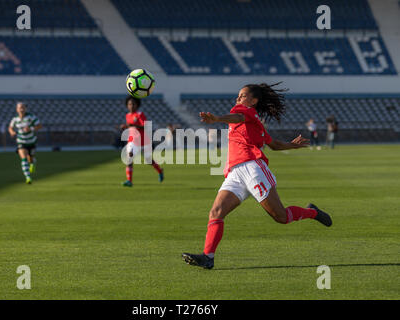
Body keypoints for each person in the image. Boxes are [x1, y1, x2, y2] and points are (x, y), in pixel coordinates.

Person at [182, 83, 332, 269]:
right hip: (235, 173)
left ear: (253, 101)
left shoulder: (244, 112)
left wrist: (218, 118)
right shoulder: (254, 124)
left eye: (242, 95)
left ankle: (312, 212)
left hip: (253, 170)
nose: (238, 99)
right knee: (216, 212)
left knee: (281, 217)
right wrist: (291, 144)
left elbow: (237, 116)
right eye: (238, 96)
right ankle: (208, 257)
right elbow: (274, 144)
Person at [120, 96, 164, 187]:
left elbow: (146, 126)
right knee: (129, 158)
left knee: (148, 160)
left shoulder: (140, 114)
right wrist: (125, 127)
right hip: (132, 141)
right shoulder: (127, 115)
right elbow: (131, 127)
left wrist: (133, 125)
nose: (131, 106)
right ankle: (129, 181)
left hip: (143, 141)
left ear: (137, 105)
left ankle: (160, 170)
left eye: (133, 104)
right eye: (129, 104)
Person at [8, 102, 42, 184]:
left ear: (25, 109)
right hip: (21, 141)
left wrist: (31, 129)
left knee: (30, 158)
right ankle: (28, 177)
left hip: (31, 141)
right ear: (17, 109)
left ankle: (32, 163)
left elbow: (39, 126)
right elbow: (10, 127)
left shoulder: (31, 117)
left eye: (23, 107)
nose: (21, 109)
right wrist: (12, 132)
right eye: (20, 108)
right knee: (23, 158)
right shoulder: (15, 119)